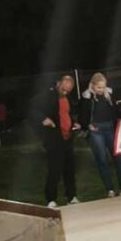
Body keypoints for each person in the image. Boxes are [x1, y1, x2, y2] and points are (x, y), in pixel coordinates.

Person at [32, 73, 81, 208]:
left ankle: (71, 196)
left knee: (69, 169)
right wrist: (43, 119)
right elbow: (33, 109)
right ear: (59, 83)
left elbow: (66, 114)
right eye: (64, 89)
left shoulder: (66, 98)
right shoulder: (47, 95)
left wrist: (73, 123)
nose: (66, 92)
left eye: (69, 90)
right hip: (54, 139)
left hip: (67, 137)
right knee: (55, 169)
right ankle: (51, 199)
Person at [79, 72, 121, 197]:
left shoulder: (109, 95)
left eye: (103, 87)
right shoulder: (86, 98)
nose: (101, 90)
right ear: (93, 86)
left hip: (111, 129)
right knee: (102, 159)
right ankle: (110, 189)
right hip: (97, 131)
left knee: (119, 157)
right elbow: (82, 116)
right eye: (99, 87)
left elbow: (116, 111)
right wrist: (87, 125)